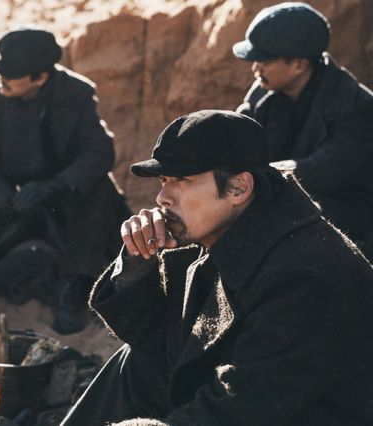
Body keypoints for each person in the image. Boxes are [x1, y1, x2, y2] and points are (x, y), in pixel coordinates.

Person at [61, 110, 373, 425]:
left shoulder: (303, 274)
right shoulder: (223, 233)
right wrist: (138, 261)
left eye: (182, 180)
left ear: (239, 188)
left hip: (304, 416)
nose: (162, 198)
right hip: (254, 402)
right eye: (164, 180)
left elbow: (248, 406)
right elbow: (160, 342)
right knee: (137, 365)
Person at [0, 27, 128, 334]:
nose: (1, 78)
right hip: (8, 200)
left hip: (60, 200)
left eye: (11, 74)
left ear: (40, 77)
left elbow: (100, 152)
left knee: (99, 187)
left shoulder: (76, 93)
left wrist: (54, 186)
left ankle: (72, 286)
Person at [233, 2, 373, 254]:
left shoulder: (358, 107)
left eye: (263, 60)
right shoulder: (264, 91)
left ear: (298, 65)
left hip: (348, 214)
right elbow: (235, 138)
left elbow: (322, 172)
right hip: (285, 196)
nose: (255, 68)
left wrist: (255, 176)